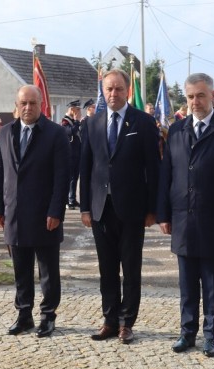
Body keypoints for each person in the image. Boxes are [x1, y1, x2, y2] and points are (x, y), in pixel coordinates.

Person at [157, 72, 214, 357]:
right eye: (190, 97)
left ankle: (211, 335)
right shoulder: (177, 130)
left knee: (211, 282)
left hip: (213, 218)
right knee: (186, 283)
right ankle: (187, 332)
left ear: (212, 96)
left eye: (200, 96)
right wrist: (163, 213)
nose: (195, 101)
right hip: (183, 217)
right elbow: (167, 175)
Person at [79, 69, 160, 344]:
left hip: (133, 209)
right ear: (103, 91)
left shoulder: (144, 122)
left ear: (127, 91)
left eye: (118, 89)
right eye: (109, 89)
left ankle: (127, 322)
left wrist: (153, 209)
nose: (113, 94)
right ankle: (110, 320)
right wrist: (85, 208)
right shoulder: (92, 123)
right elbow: (86, 168)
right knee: (107, 268)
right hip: (102, 208)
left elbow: (154, 168)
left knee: (131, 268)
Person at [0, 85, 69, 338]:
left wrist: (56, 211)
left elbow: (62, 177)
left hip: (45, 215)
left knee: (48, 271)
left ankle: (48, 316)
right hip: (14, 214)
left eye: (33, 103)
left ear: (41, 104)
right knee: (21, 270)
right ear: (17, 105)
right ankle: (24, 315)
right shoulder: (5, 133)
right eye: (23, 103)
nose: (28, 108)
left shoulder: (56, 134)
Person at [62, 100, 82, 209]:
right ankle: (67, 200)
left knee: (75, 178)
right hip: (70, 154)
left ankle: (72, 199)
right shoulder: (65, 121)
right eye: (77, 109)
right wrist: (76, 121)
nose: (79, 112)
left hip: (76, 153)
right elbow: (70, 132)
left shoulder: (74, 121)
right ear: (72, 109)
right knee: (69, 178)